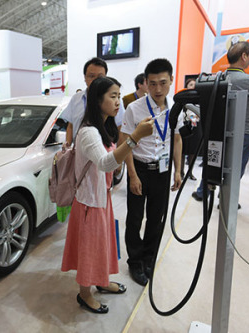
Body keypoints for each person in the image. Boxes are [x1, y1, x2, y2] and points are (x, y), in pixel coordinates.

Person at [61, 76, 154, 314]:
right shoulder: (88, 132)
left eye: (118, 96)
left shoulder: (105, 127)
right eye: (112, 96)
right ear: (97, 99)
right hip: (90, 202)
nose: (117, 102)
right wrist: (135, 138)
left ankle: (101, 281)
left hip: (102, 198)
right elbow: (104, 164)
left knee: (102, 245)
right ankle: (84, 294)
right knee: (90, 249)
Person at [191, 41, 249, 204]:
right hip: (244, 132)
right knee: (235, 168)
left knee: (214, 160)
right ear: (244, 56)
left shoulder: (219, 77)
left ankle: (202, 191)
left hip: (219, 130)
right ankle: (226, 198)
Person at [121, 58, 182, 286]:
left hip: (163, 172)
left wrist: (178, 171)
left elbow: (176, 139)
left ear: (171, 81)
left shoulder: (176, 109)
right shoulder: (134, 109)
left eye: (163, 83)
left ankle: (148, 259)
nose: (158, 89)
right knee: (135, 219)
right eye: (153, 83)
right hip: (140, 170)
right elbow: (126, 142)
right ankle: (135, 263)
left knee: (156, 219)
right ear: (145, 83)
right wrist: (132, 175)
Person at [62, 57, 125, 146]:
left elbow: (120, 128)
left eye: (100, 77)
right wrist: (68, 144)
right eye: (91, 76)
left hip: (105, 151)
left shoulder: (114, 101)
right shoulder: (76, 99)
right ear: (85, 77)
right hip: (79, 153)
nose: (96, 80)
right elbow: (71, 125)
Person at [180, 78, 200, 181]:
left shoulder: (200, 98)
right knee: (182, 152)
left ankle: (190, 173)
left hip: (196, 128)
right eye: (191, 84)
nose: (193, 86)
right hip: (185, 127)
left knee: (193, 152)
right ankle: (181, 173)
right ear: (187, 87)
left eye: (195, 84)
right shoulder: (183, 98)